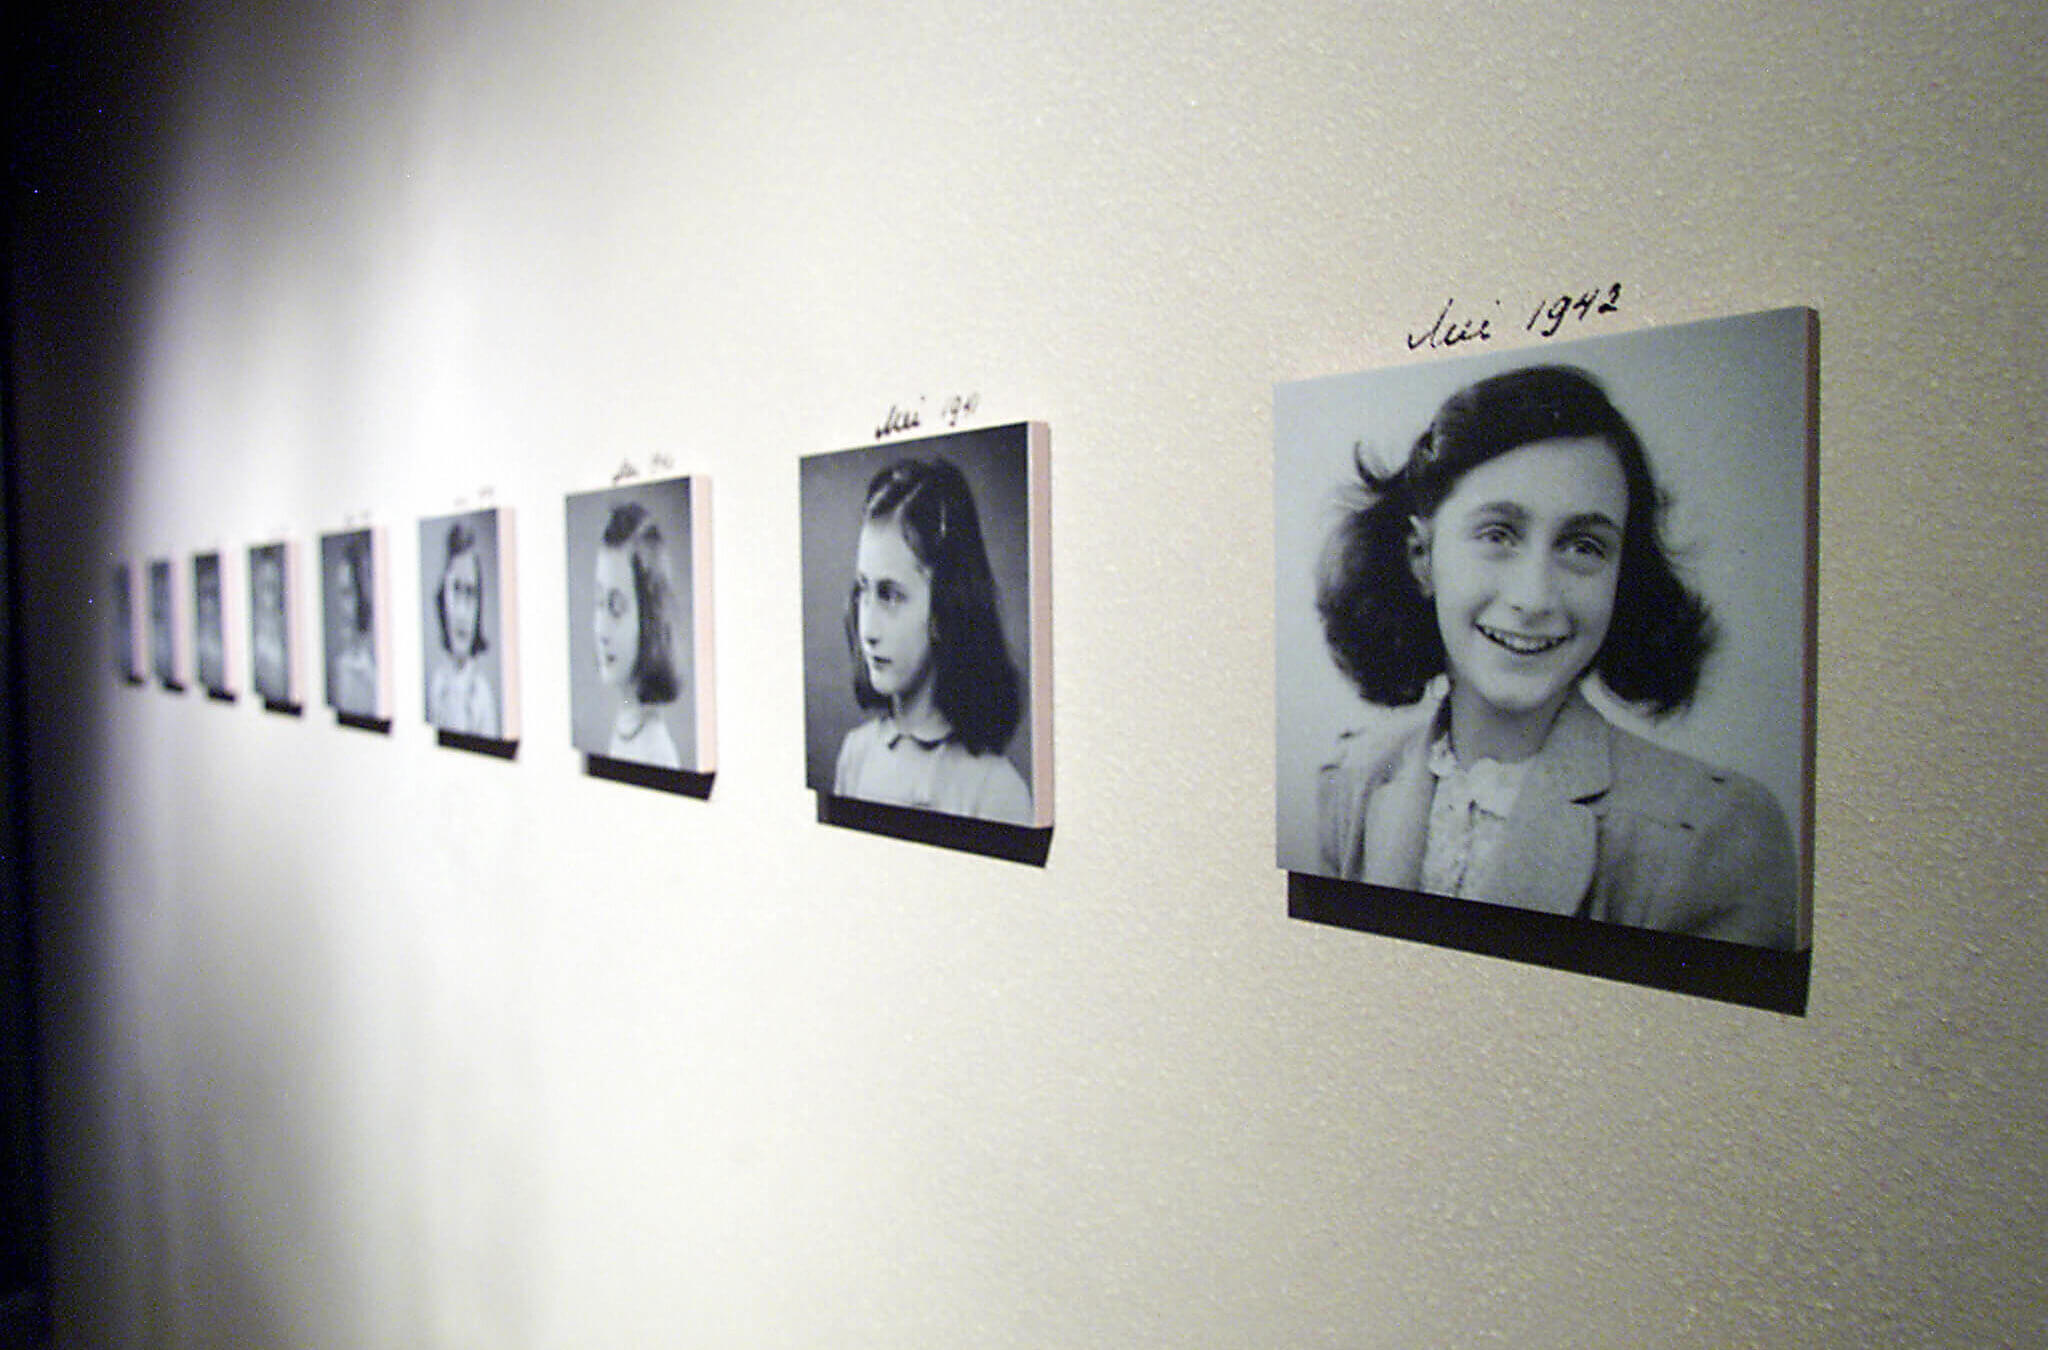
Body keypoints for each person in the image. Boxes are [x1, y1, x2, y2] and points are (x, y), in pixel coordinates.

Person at [1314, 364, 1797, 948]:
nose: (1534, 598)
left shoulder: (1716, 833)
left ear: (1622, 579)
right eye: (1498, 535)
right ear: (1422, 558)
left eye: (1583, 546)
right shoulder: (1352, 783)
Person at [833, 457, 1033, 824]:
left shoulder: (995, 790)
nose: (868, 630)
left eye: (891, 595)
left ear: (944, 609)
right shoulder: (855, 755)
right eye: (864, 590)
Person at [590, 501, 683, 768]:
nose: (601, 630)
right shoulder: (625, 724)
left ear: (648, 620)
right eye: (599, 604)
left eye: (616, 608)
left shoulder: (656, 752)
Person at [426, 520, 499, 736]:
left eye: (471, 594)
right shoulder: (437, 684)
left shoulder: (480, 696)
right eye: (456, 591)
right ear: (443, 596)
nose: (463, 612)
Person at [327, 534, 380, 716]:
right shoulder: (342, 667)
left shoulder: (377, 673)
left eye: (348, 593)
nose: (341, 606)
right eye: (340, 593)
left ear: (365, 594)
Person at [250, 546, 289, 703]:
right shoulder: (251, 632)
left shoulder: (287, 632)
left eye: (274, 587)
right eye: (266, 587)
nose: (270, 598)